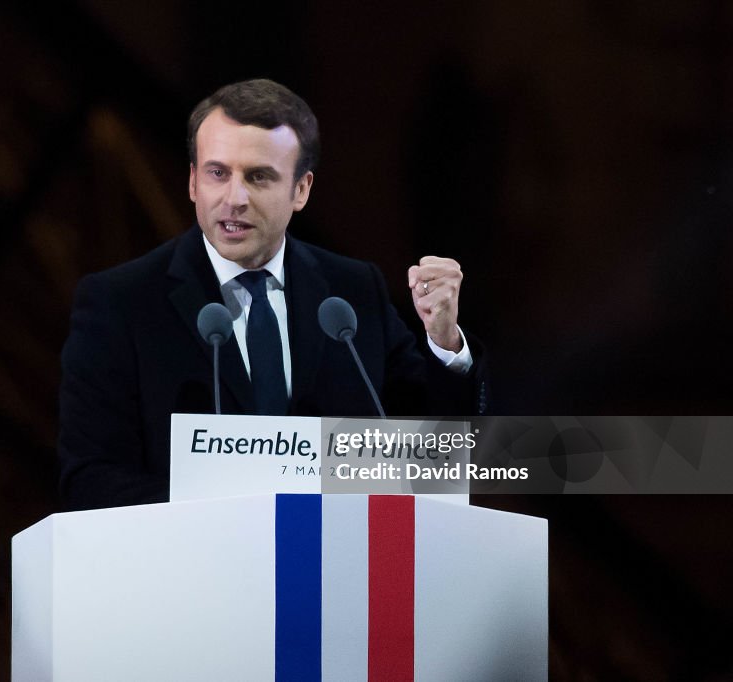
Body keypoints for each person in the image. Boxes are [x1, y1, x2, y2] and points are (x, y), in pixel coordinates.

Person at [58, 79, 487, 511]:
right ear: (192, 182)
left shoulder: (353, 294)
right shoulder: (122, 303)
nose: (235, 198)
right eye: (218, 173)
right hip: (190, 568)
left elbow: (441, 461)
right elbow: (90, 480)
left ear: (300, 190)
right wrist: (233, 508)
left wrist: (445, 342)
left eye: (259, 177)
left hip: (337, 564)